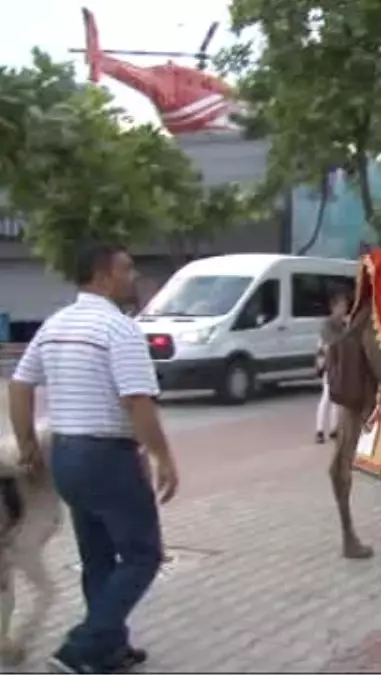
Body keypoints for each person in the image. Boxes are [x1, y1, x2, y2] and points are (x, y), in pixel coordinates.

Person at [7, 242, 179, 673]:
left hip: (66, 458)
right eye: (127, 269)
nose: (134, 277)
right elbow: (138, 401)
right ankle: (80, 648)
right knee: (142, 556)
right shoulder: (118, 329)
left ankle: (109, 649)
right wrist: (162, 457)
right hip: (107, 458)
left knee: (99, 557)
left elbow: (19, 384)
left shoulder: (55, 325)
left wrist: (28, 443)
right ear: (102, 276)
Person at [315, 290, 349, 444]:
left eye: (345, 305)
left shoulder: (344, 324)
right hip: (329, 364)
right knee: (327, 395)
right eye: (341, 306)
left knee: (337, 398)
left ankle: (335, 428)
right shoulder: (327, 325)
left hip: (340, 363)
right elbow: (330, 343)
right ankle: (320, 430)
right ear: (334, 307)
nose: (344, 309)